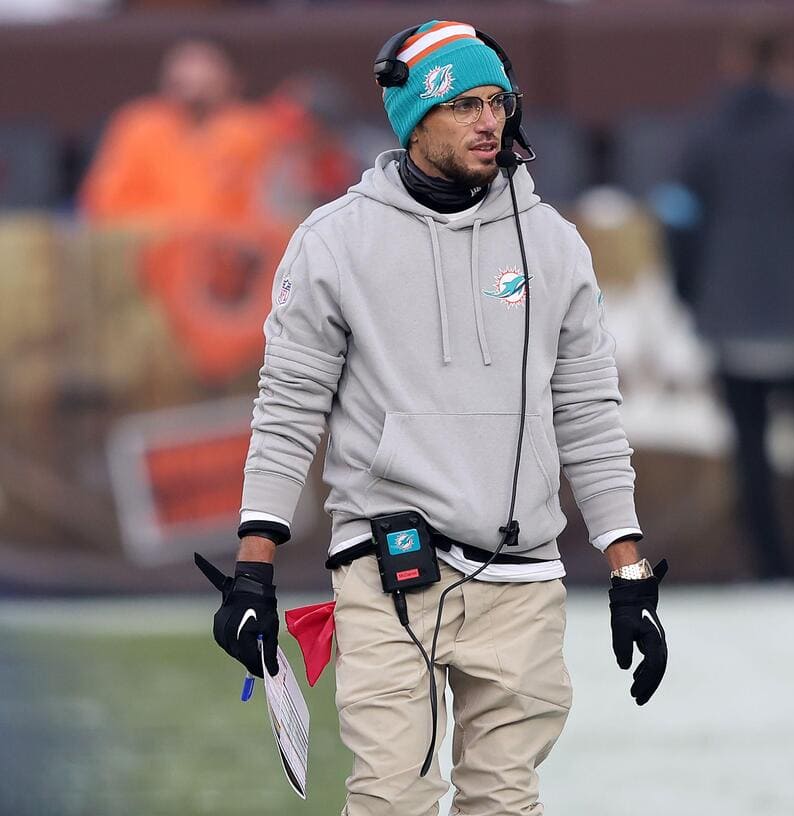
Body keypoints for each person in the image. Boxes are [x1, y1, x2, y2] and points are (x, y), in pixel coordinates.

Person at [197, 20, 670, 816]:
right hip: (386, 571)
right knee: (390, 800)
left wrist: (629, 573)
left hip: (521, 580)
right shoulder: (334, 243)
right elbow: (287, 412)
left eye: (499, 103)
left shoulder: (554, 246)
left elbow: (589, 415)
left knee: (503, 802)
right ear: (416, 119)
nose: (490, 122)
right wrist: (255, 567)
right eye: (465, 107)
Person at [675, 30, 794, 579]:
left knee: (751, 449)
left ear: (733, 62)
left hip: (730, 317)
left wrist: (694, 296)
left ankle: (769, 564)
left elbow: (681, 225)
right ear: (787, 62)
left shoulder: (704, 135)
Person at [79, 38, 271, 230]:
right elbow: (104, 202)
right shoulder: (140, 125)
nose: (194, 78)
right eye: (182, 77)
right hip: (152, 248)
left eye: (207, 72)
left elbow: (269, 208)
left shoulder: (255, 129)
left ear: (234, 80)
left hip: (234, 250)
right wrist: (176, 228)